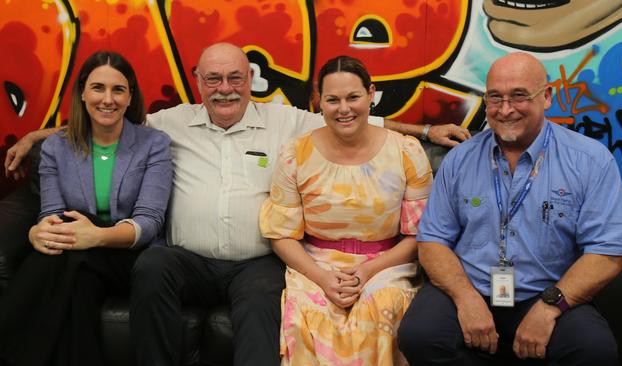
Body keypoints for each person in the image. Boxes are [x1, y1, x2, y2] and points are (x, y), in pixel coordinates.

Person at [2, 42, 469, 366]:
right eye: (213, 79)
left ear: (250, 79)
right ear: (197, 81)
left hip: (256, 262)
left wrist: (425, 132)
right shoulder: (171, 122)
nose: (224, 88)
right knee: (152, 267)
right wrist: (39, 136)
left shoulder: (286, 121)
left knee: (263, 300)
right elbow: (107, 115)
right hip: (186, 258)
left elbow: (351, 114)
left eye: (234, 77)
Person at [397, 52, 622, 365]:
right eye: (495, 97)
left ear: (547, 97)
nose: (506, 109)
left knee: (594, 350)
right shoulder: (460, 159)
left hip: (548, 291)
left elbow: (606, 254)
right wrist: (466, 298)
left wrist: (549, 308)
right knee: (419, 335)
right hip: (472, 286)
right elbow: (431, 242)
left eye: (519, 96)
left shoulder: (590, 160)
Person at [0, 50, 172, 366]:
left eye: (118, 89)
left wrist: (95, 235)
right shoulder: (55, 148)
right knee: (76, 280)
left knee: (73, 240)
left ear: (130, 95)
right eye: (98, 88)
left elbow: (149, 222)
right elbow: (51, 214)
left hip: (131, 257)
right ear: (82, 92)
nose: (108, 99)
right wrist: (38, 231)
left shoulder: (154, 144)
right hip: (78, 257)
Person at [260, 55, 432, 365]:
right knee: (310, 313)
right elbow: (281, 236)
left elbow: (420, 236)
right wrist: (322, 278)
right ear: (319, 102)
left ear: (371, 94)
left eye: (353, 97)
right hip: (314, 265)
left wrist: (367, 271)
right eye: (333, 99)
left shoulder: (406, 151)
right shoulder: (295, 154)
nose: (344, 108)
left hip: (386, 264)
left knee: (381, 305)